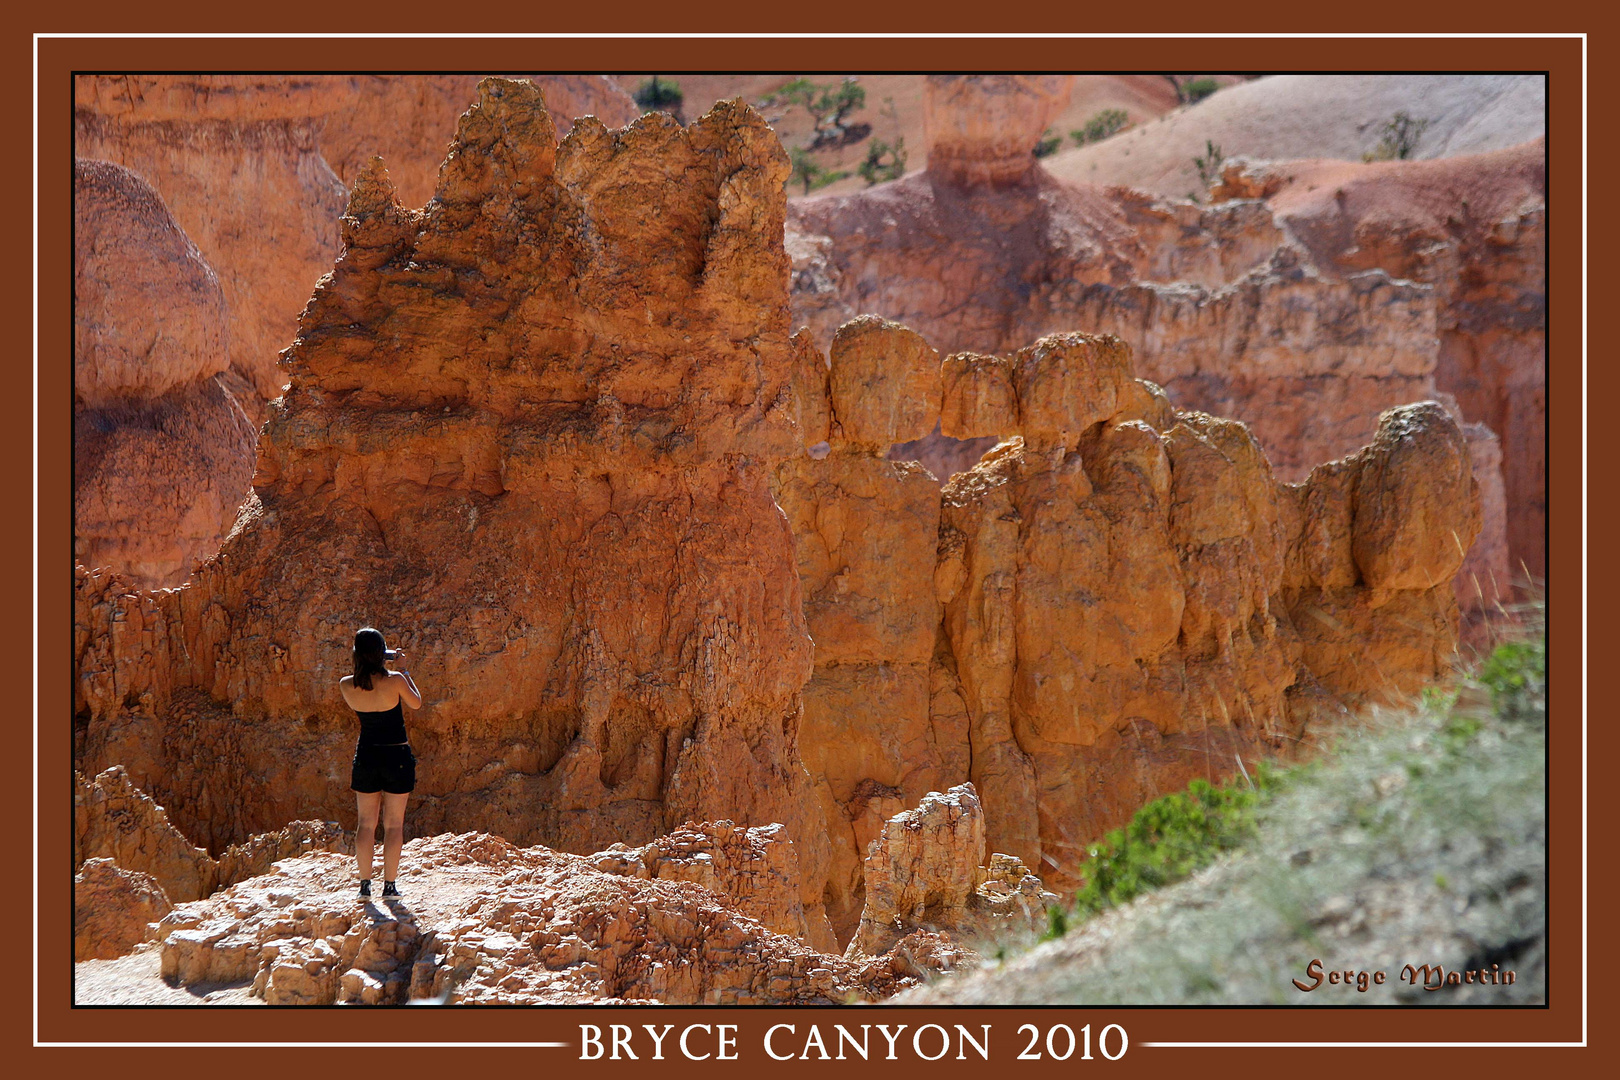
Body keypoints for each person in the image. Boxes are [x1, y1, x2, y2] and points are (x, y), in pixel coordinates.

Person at [338, 627, 422, 899]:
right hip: (396, 755)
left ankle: (364, 886)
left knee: (366, 824)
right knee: (394, 824)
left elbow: (368, 680)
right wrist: (404, 670)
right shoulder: (395, 680)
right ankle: (389, 886)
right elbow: (417, 703)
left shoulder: (346, 684)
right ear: (381, 654)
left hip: (366, 756)